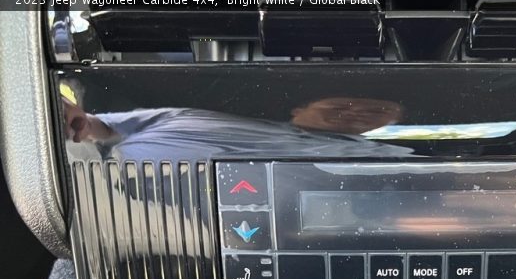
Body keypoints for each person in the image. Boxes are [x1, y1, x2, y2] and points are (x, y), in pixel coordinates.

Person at [60, 85, 412, 161]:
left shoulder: (380, 154)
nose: (354, 114)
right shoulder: (185, 120)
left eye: (374, 115)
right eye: (351, 103)